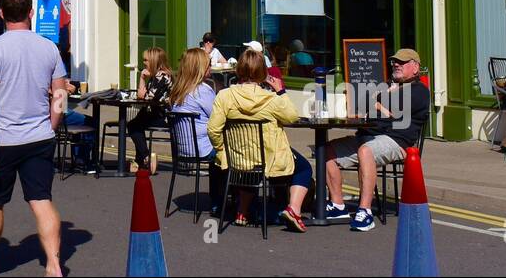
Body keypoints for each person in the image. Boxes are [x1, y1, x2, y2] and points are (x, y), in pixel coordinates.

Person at [0, 0, 69, 277]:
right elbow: (61, 93)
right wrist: (51, 125)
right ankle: (54, 264)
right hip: (40, 136)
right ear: (31, 13)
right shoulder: (48, 47)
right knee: (41, 201)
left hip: (3, 137)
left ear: (1, 13)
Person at [324, 48, 430, 232]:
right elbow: (360, 102)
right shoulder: (387, 85)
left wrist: (379, 102)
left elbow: (393, 107)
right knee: (326, 151)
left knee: (366, 151)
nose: (397, 64)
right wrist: (382, 105)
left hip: (397, 142)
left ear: (415, 67)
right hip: (368, 136)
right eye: (395, 61)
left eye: (402, 62)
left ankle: (365, 212)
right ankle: (337, 205)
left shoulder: (419, 91)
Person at [207, 47, 311, 232]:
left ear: (239, 69)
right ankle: (293, 209)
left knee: (250, 168)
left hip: (238, 157)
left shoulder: (224, 96)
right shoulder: (271, 99)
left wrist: (223, 150)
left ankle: (242, 212)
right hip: (268, 158)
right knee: (304, 168)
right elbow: (292, 117)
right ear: (263, 72)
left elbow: (213, 129)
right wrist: (281, 91)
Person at [168, 47, 223, 215]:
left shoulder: (177, 91)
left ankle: (219, 199)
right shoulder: (202, 90)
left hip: (184, 149)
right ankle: (221, 201)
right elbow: (218, 117)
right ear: (199, 69)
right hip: (203, 149)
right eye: (208, 66)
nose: (210, 69)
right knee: (230, 152)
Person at [128, 47, 174, 174]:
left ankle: (145, 158)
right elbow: (141, 95)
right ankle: (141, 160)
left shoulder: (162, 77)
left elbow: (146, 98)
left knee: (134, 125)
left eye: (146, 60)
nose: (144, 63)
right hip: (153, 113)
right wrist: (142, 78)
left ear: (154, 61)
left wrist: (142, 84)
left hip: (162, 116)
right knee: (136, 124)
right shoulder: (155, 76)